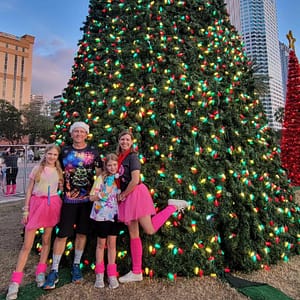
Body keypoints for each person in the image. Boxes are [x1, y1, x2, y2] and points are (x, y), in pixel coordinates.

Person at [116, 130, 189, 283]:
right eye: (122, 139)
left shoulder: (133, 157)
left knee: (149, 229)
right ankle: (136, 271)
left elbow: (135, 180)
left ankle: (172, 207)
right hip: (126, 198)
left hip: (135, 194)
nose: (124, 142)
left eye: (127, 139)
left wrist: (123, 195)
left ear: (132, 142)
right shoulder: (119, 158)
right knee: (133, 234)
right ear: (119, 141)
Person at [43, 121, 103, 290]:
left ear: (86, 134)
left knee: (82, 234)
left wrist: (98, 195)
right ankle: (54, 269)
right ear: (71, 134)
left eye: (81, 132)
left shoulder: (93, 152)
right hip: (68, 200)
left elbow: (99, 176)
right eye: (75, 131)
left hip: (86, 201)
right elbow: (57, 170)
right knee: (62, 234)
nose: (78, 134)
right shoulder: (65, 151)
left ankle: (76, 265)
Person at [6, 144, 64, 300]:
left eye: (55, 155)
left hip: (52, 206)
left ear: (57, 157)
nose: (52, 157)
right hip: (36, 206)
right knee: (27, 245)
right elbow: (29, 190)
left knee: (46, 241)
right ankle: (15, 282)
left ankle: (40, 272)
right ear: (45, 154)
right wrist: (26, 209)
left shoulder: (59, 172)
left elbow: (60, 188)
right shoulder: (37, 169)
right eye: (49, 154)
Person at [89, 153, 120, 289]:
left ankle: (112, 275)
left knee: (112, 244)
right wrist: (102, 194)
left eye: (114, 164)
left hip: (114, 215)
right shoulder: (101, 179)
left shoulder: (118, 179)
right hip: (101, 215)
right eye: (109, 165)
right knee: (101, 244)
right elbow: (91, 197)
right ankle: (99, 274)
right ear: (105, 166)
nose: (112, 167)